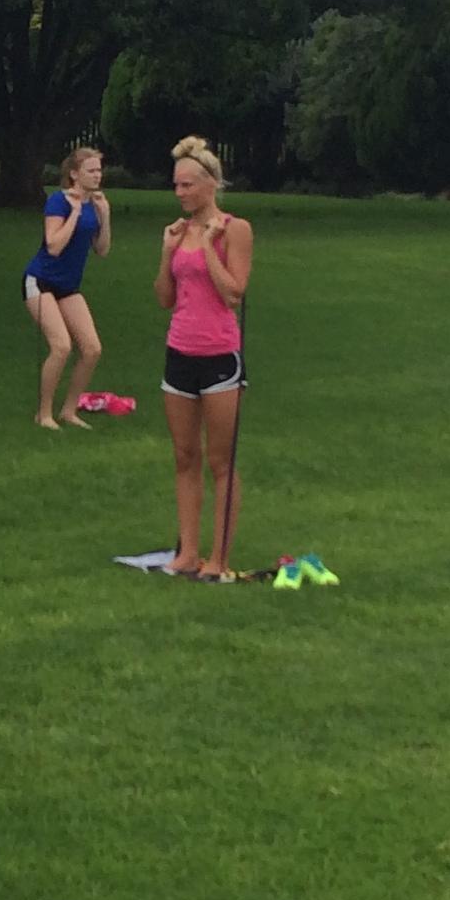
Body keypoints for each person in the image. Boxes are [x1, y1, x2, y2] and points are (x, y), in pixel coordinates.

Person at [153, 133, 254, 580]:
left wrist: (211, 247)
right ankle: (187, 552)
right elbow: (164, 297)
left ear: (211, 185)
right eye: (176, 185)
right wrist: (167, 253)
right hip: (180, 352)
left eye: (187, 185)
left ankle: (218, 558)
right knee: (184, 456)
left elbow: (234, 294)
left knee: (220, 461)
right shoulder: (179, 233)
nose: (180, 193)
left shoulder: (235, 229)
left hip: (219, 356)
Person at [27, 144, 114, 428]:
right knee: (61, 346)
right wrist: (74, 213)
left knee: (92, 348)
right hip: (40, 281)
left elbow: (102, 250)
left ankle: (68, 410)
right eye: (91, 170)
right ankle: (44, 414)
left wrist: (105, 215)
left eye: (99, 170)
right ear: (74, 174)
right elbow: (53, 246)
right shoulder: (58, 201)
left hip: (68, 286)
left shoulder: (95, 205)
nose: (97, 175)